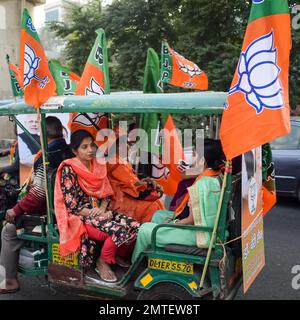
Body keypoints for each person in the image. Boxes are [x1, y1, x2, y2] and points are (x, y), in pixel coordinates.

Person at [54, 130, 140, 283]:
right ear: (75, 151)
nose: (90, 150)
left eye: (92, 145)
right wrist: (97, 214)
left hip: (100, 210)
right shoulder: (69, 169)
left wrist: (103, 209)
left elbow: (106, 193)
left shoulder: (98, 165)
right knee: (119, 231)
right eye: (84, 147)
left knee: (135, 226)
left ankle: (116, 254)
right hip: (81, 214)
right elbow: (72, 206)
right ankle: (102, 261)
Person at [0, 116, 72, 294]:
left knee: (8, 230)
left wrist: (16, 209)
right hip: (67, 207)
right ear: (60, 131)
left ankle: (9, 281)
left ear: (43, 135)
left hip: (51, 215)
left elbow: (38, 196)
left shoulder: (47, 157)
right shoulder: (69, 150)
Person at [131, 139, 225, 263]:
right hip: (210, 230)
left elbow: (191, 220)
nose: (192, 158)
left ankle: (136, 264)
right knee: (158, 215)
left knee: (144, 229)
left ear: (203, 161)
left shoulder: (202, 184)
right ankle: (154, 257)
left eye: (195, 155)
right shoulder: (217, 175)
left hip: (200, 234)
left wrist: (173, 224)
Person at [105, 126, 165, 223]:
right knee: (152, 206)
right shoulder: (114, 162)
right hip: (120, 200)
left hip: (128, 195)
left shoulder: (122, 161)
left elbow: (133, 182)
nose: (127, 147)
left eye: (127, 143)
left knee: (157, 202)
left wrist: (146, 183)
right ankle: (145, 233)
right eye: (123, 144)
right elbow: (129, 184)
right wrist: (146, 184)